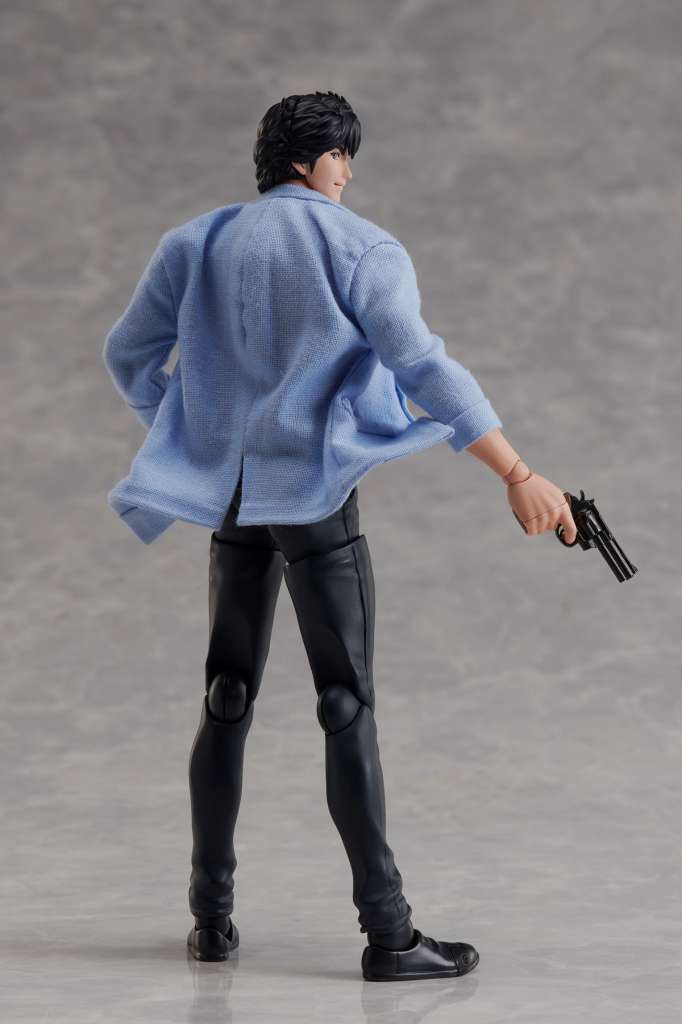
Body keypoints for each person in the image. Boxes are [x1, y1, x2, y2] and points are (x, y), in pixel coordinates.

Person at [102, 91, 576, 981]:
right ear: (305, 161)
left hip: (234, 497)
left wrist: (195, 433)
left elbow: (127, 354)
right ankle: (388, 934)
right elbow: (421, 365)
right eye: (339, 156)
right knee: (343, 701)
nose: (347, 173)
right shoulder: (360, 248)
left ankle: (210, 920)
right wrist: (516, 470)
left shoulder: (195, 242)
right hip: (314, 494)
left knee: (227, 694)